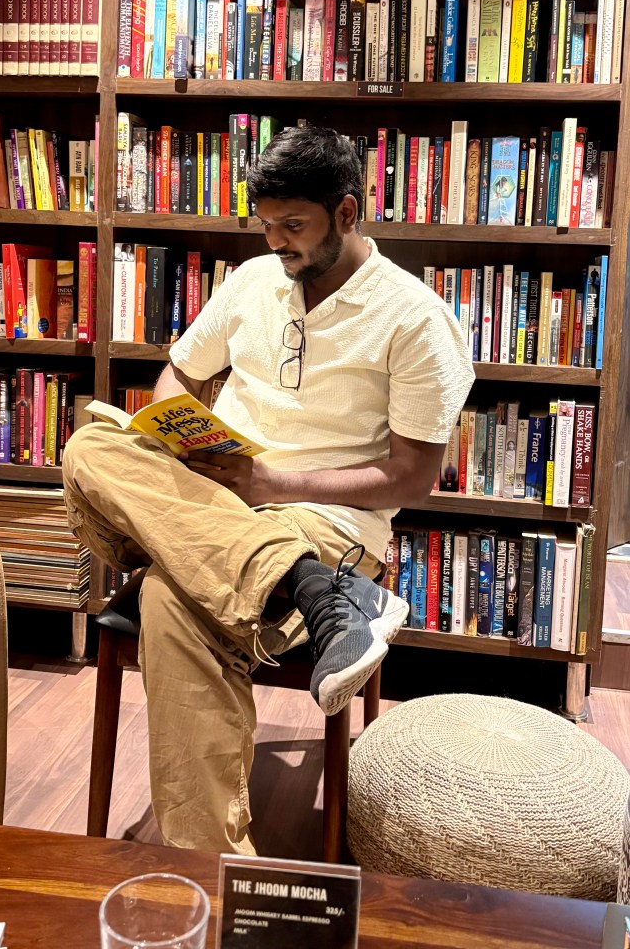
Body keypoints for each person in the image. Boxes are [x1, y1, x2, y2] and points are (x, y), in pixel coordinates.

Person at [62, 125, 475, 855]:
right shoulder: (253, 280)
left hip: (326, 518)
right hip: (215, 500)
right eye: (266, 225)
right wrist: (173, 431)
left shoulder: (414, 317)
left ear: (345, 214)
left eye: (294, 226)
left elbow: (414, 474)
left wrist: (271, 481)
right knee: (93, 441)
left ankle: (208, 867)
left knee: (169, 597)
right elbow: (182, 374)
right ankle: (314, 590)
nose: (277, 241)